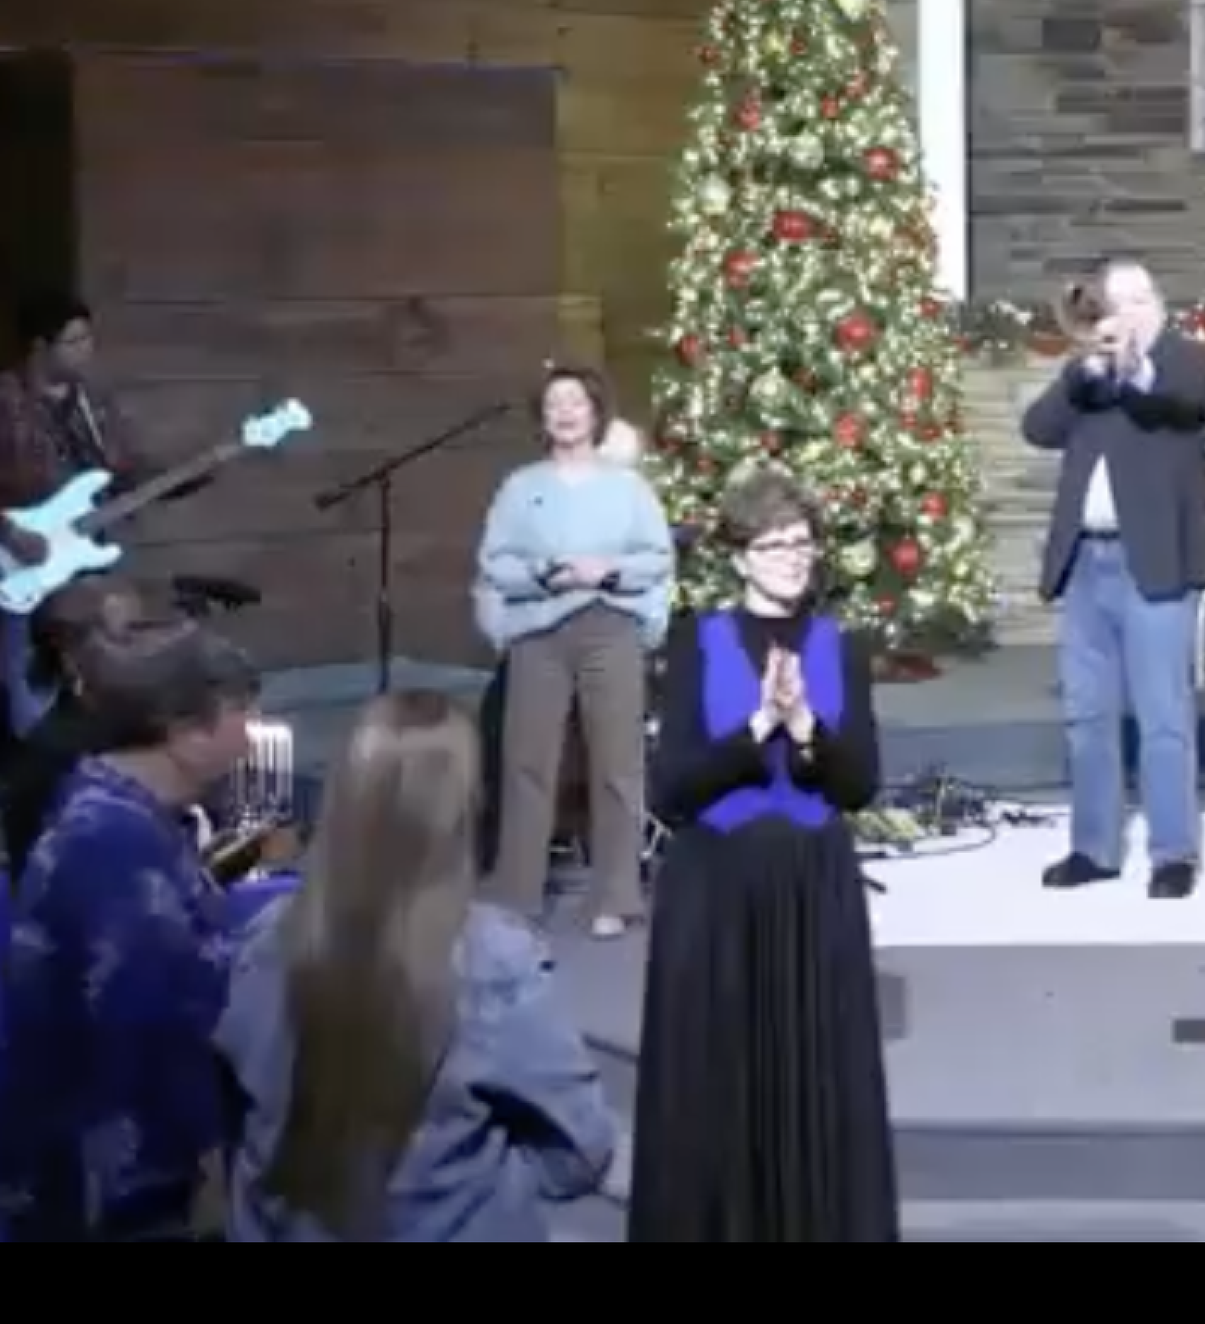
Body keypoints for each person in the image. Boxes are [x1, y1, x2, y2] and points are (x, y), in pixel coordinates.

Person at [217, 692, 618, 1242]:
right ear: (465, 808)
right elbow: (580, 1149)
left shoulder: (258, 943)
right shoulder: (494, 962)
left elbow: (231, 1115)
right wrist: (479, 1191)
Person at [628, 468, 897, 1243]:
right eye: (773, 543)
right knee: (721, 1087)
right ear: (740, 556)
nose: (792, 556)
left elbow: (860, 786)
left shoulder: (839, 647)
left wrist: (807, 726)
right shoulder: (696, 641)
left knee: (816, 1087)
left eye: (802, 541)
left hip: (814, 892)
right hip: (718, 893)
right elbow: (672, 789)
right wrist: (755, 731)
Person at [0, 619, 261, 1241]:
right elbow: (149, 1031)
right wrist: (209, 1164)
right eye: (240, 712)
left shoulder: (120, 819)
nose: (250, 735)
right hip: (118, 1195)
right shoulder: (117, 844)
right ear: (185, 727)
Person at [1020, 260, 1205, 900]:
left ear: (1159, 303)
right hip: (1086, 564)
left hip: (1154, 563)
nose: (1126, 312)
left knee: (1163, 717)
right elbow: (1038, 429)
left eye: (1138, 299)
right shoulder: (1091, 372)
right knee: (1086, 715)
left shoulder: (1185, 360)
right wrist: (1084, 374)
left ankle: (1172, 853)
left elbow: (1179, 407)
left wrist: (1132, 370)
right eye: (1116, 301)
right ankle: (1094, 849)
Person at [474, 366, 674, 941]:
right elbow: (496, 563)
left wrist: (608, 570)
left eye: (576, 402)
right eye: (554, 403)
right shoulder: (519, 487)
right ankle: (517, 891)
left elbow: (657, 558)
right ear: (543, 417)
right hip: (539, 633)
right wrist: (544, 575)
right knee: (527, 762)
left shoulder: (629, 489)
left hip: (610, 627)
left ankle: (617, 896)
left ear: (595, 414)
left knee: (616, 764)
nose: (565, 412)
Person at [0, 290, 157, 740]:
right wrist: (6, 532)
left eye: (89, 339)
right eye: (74, 341)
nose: (87, 350)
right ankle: (32, 763)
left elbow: (124, 472)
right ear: (40, 347)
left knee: (120, 640)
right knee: (23, 683)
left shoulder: (94, 405)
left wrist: (192, 470)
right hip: (16, 559)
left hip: (86, 561)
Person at [0, 576, 145, 880]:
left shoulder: (144, 729)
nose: (143, 653)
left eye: (140, 636)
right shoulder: (51, 754)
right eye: (124, 639)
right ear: (71, 657)